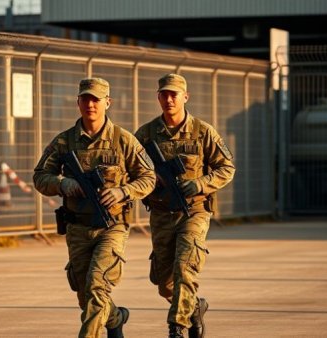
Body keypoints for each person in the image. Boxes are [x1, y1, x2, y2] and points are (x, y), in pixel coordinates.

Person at [33, 77, 156, 338]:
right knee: (84, 291)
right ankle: (115, 318)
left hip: (112, 227)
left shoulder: (123, 140)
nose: (90, 104)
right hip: (77, 227)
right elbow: (40, 176)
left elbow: (149, 177)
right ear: (78, 102)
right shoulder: (64, 142)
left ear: (107, 103)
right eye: (85, 99)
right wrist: (62, 183)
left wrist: (123, 190)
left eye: (96, 100)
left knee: (98, 286)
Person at [134, 73, 235, 338]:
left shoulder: (203, 131)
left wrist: (201, 183)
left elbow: (226, 167)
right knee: (164, 283)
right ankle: (194, 309)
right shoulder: (145, 134)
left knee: (185, 269)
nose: (169, 99)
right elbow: (129, 169)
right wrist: (148, 179)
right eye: (164, 95)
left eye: (174, 94)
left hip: (195, 211)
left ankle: (176, 328)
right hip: (160, 213)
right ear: (158, 97)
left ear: (185, 97)